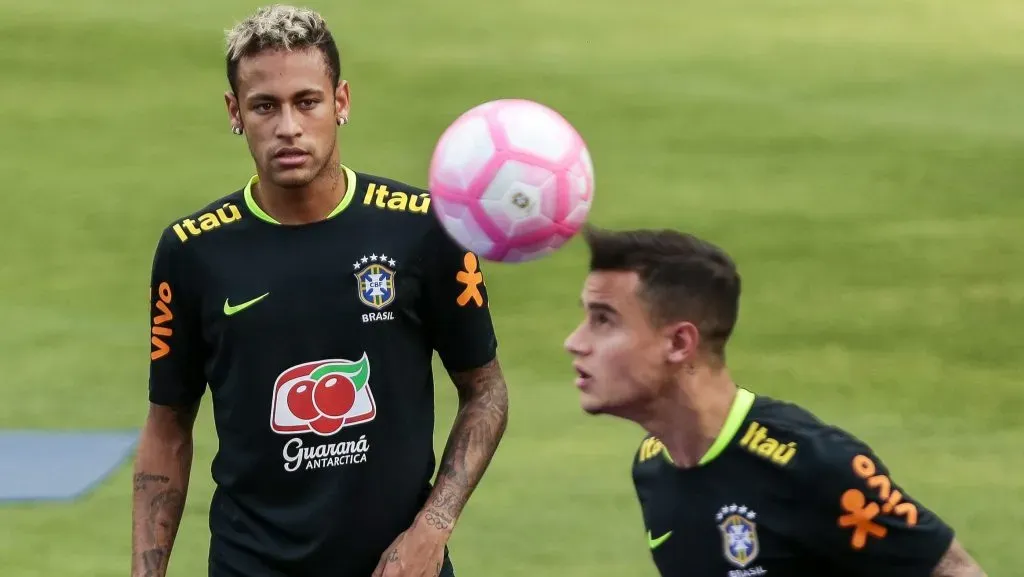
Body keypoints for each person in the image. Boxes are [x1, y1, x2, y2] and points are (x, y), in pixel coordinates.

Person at [131, 5, 509, 577]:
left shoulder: (425, 229)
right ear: (236, 113)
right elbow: (167, 428)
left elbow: (486, 392)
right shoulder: (192, 252)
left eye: (307, 101)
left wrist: (433, 527)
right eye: (265, 106)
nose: (288, 127)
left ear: (342, 102)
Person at [563, 225, 987, 577]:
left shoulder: (812, 464)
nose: (574, 342)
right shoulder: (654, 466)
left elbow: (954, 572)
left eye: (603, 320)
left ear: (678, 342)